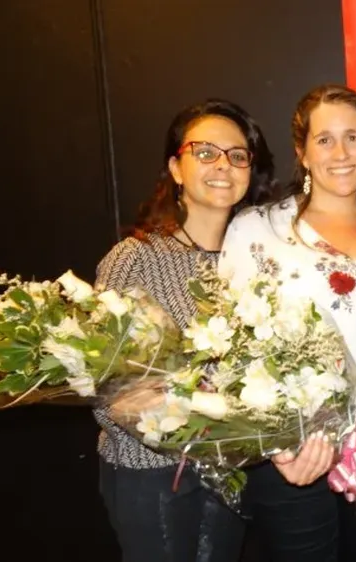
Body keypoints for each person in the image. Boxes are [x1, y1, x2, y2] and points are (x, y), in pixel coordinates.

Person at [217, 84, 356, 561]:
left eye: (353, 137)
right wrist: (279, 443)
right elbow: (229, 350)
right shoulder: (258, 231)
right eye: (324, 140)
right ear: (302, 153)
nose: (340, 152)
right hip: (294, 459)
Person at [93, 98, 274, 562]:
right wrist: (188, 426)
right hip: (151, 473)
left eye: (237, 156)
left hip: (230, 468)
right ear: (176, 167)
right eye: (205, 152)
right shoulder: (135, 258)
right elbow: (108, 382)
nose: (223, 166)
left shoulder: (257, 261)